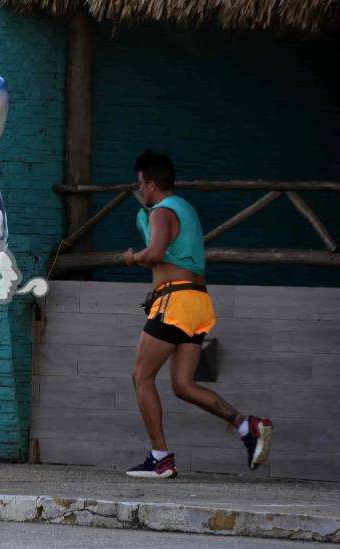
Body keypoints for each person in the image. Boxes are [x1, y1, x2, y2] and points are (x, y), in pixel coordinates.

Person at [123, 151, 273, 479]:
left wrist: (134, 257)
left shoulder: (161, 212)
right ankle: (246, 426)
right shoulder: (186, 209)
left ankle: (160, 458)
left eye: (139, 184)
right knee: (183, 385)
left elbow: (157, 253)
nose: (140, 190)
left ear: (150, 184)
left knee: (141, 377)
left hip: (173, 302)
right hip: (197, 304)